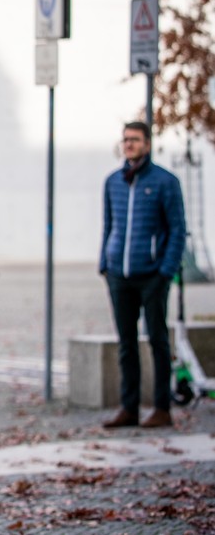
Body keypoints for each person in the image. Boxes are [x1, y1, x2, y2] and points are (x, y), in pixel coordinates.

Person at [100, 121, 185, 429]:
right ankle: (129, 407)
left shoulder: (165, 182)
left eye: (135, 140)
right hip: (119, 275)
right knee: (126, 343)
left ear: (147, 144)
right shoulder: (113, 182)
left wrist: (166, 270)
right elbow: (109, 226)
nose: (129, 145)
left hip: (152, 275)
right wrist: (104, 264)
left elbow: (177, 229)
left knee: (158, 340)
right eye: (125, 140)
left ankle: (162, 407)